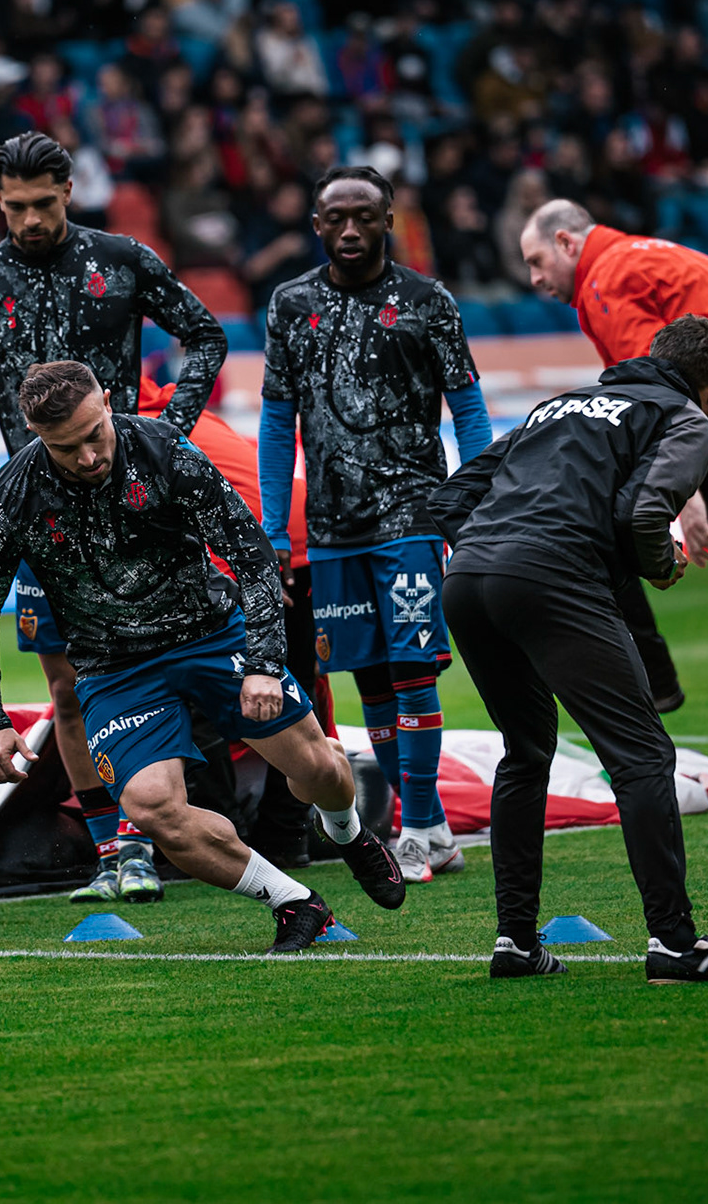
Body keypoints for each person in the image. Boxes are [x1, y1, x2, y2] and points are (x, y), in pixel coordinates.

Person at [0, 361, 407, 953]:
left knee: (319, 769)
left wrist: (267, 663)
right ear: (38, 437)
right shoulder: (10, 496)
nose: (89, 456)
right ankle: (295, 903)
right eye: (68, 448)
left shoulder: (164, 446)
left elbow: (251, 556)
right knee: (151, 808)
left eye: (96, 434)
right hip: (114, 670)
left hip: (211, 635)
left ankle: (348, 834)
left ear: (108, 402)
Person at [0, 131, 229, 904]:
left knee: (158, 663)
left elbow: (206, 335)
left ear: (69, 189)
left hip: (136, 501)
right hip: (44, 521)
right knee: (68, 689)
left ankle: (159, 824)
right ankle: (113, 848)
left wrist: (172, 432)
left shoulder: (122, 261)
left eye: (44, 203)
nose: (30, 219)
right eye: (16, 206)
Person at [429, 315, 708, 984]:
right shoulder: (686, 419)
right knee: (643, 758)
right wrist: (660, 562)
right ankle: (675, 945)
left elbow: (454, 496)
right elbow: (645, 513)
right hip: (550, 575)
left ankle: (515, 943)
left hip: (468, 580)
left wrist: (490, 552)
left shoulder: (558, 406)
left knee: (525, 754)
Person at [520, 199, 708, 807]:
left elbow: (653, 386)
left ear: (566, 242)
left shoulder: (608, 276)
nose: (534, 279)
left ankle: (654, 677)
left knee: (595, 523)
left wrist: (684, 490)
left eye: (536, 261)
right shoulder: (650, 255)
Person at [259, 166, 494, 884]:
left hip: (412, 515)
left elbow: (471, 409)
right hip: (331, 529)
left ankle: (418, 824)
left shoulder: (428, 302)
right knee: (369, 682)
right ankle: (426, 827)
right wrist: (274, 528)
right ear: (318, 226)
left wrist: (474, 505)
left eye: (366, 216)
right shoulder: (291, 304)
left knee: (414, 667)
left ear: (390, 218)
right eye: (338, 219)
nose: (352, 230)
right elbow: (276, 420)